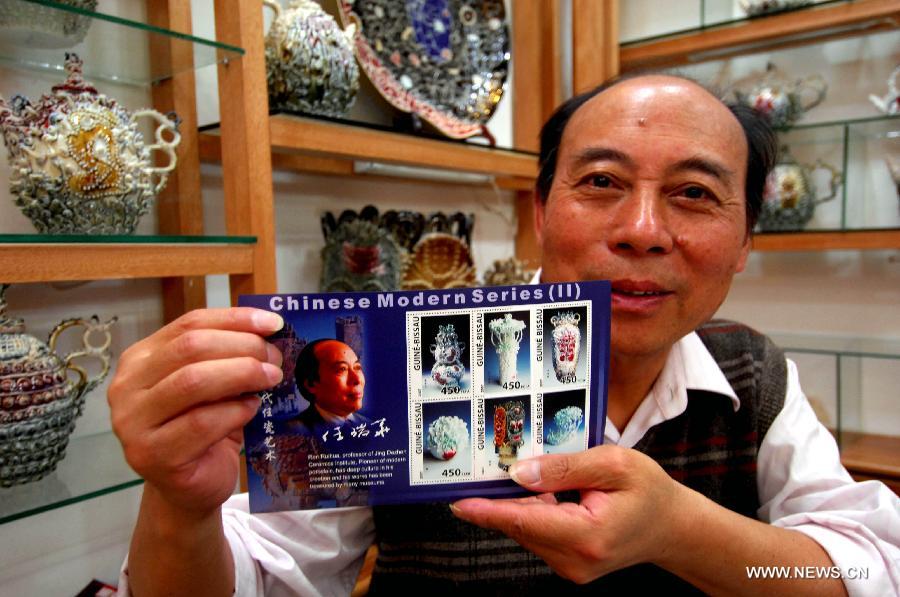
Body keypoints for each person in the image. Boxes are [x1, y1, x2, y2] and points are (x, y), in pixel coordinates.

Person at [109, 74, 900, 596]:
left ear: (745, 238)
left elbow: (872, 563)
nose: (642, 229)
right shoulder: (401, 362)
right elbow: (262, 579)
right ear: (540, 212)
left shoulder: (751, 371)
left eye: (694, 193)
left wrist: (680, 530)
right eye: (601, 183)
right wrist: (180, 506)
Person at [287, 338, 368, 439]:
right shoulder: (292, 434)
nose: (357, 380)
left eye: (357, 367)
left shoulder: (370, 425)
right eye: (342, 369)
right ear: (311, 384)